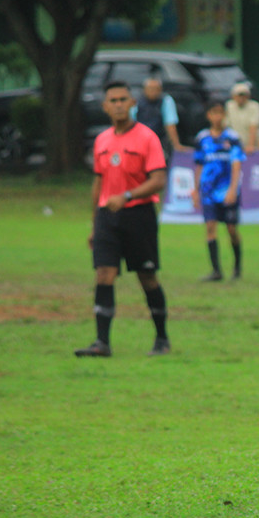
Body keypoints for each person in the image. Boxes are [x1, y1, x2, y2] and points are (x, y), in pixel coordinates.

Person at [75, 80, 170, 358]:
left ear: (133, 104)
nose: (118, 104)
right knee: (104, 274)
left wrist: (127, 196)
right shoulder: (102, 141)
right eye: (113, 100)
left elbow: (159, 180)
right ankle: (101, 342)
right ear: (105, 107)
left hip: (138, 215)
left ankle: (162, 339)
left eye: (123, 99)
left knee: (147, 276)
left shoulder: (147, 137)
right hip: (107, 217)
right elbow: (98, 183)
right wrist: (95, 222)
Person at [193, 100, 246, 281]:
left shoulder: (232, 138)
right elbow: (199, 165)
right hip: (208, 191)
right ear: (208, 116)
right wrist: (195, 189)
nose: (217, 116)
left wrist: (233, 189)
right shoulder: (202, 139)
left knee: (231, 229)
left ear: (224, 115)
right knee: (210, 228)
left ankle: (237, 267)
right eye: (213, 113)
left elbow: (236, 165)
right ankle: (216, 271)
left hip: (227, 191)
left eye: (220, 113)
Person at [130, 77, 186, 158]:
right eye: (150, 88)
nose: (153, 91)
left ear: (160, 89)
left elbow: (170, 125)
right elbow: (131, 123)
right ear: (144, 90)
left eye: (156, 89)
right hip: (139, 140)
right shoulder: (136, 102)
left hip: (159, 140)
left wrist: (176, 145)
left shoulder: (166, 101)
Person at [224, 82, 259, 153]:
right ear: (233, 96)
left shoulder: (255, 106)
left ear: (248, 96)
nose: (241, 98)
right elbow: (225, 127)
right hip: (234, 146)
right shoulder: (229, 106)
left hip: (254, 147)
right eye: (239, 95)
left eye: (244, 95)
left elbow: (253, 127)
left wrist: (250, 146)